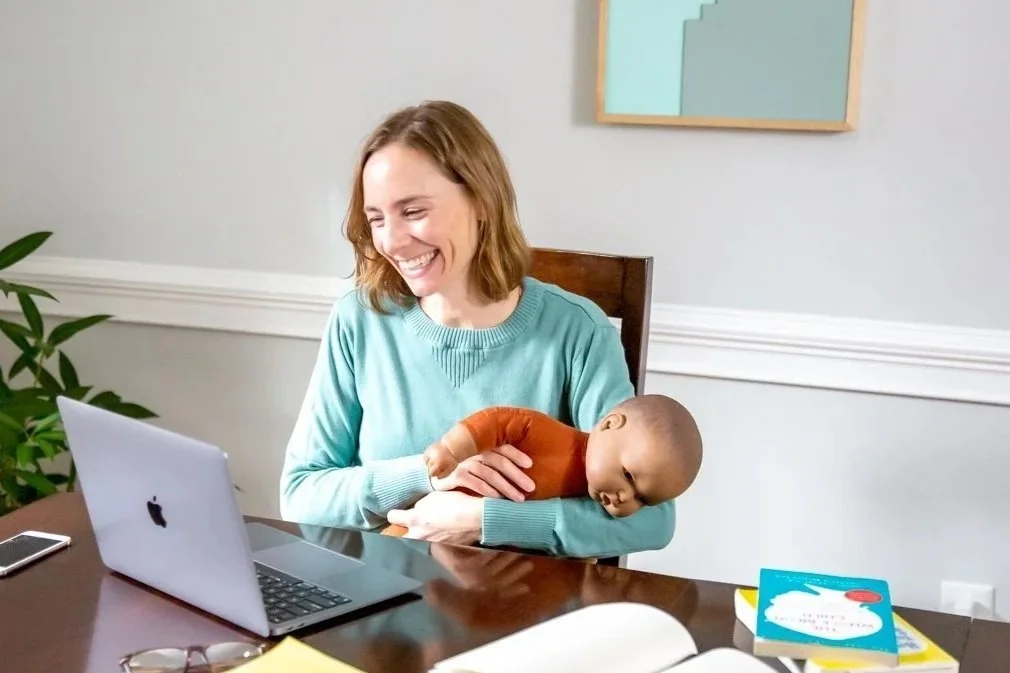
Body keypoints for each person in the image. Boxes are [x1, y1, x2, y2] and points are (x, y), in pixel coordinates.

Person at [278, 99, 675, 559]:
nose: (391, 241)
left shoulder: (577, 332)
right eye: (376, 219)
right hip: (380, 594)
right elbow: (300, 494)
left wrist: (484, 519)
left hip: (522, 598)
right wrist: (428, 474)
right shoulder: (359, 320)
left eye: (413, 211)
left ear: (482, 201)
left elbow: (651, 519)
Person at [381, 394, 702, 537]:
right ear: (608, 424)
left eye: (642, 499)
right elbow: (499, 422)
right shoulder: (549, 437)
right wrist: (451, 449)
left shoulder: (588, 499)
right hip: (422, 522)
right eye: (628, 476)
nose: (625, 498)